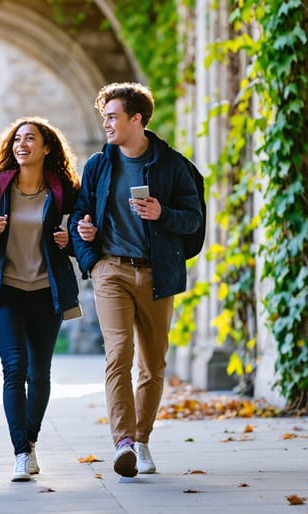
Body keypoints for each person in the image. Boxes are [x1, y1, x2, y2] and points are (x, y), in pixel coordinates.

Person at [69, 83, 203, 478]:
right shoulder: (98, 165)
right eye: (104, 116)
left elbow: (194, 220)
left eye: (112, 116)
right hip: (110, 270)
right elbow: (80, 216)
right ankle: (124, 442)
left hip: (157, 272)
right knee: (118, 354)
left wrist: (162, 212)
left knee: (153, 364)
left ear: (136, 119)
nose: (106, 123)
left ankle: (142, 440)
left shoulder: (173, 165)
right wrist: (88, 244)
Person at [0, 117, 81, 482]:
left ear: (46, 147)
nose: (22, 144)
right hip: (4, 292)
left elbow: (82, 232)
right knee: (14, 367)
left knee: (40, 373)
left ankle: (30, 440)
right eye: (17, 139)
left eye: (30, 139)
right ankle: (20, 452)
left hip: (45, 291)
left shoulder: (63, 190)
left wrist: (71, 243)